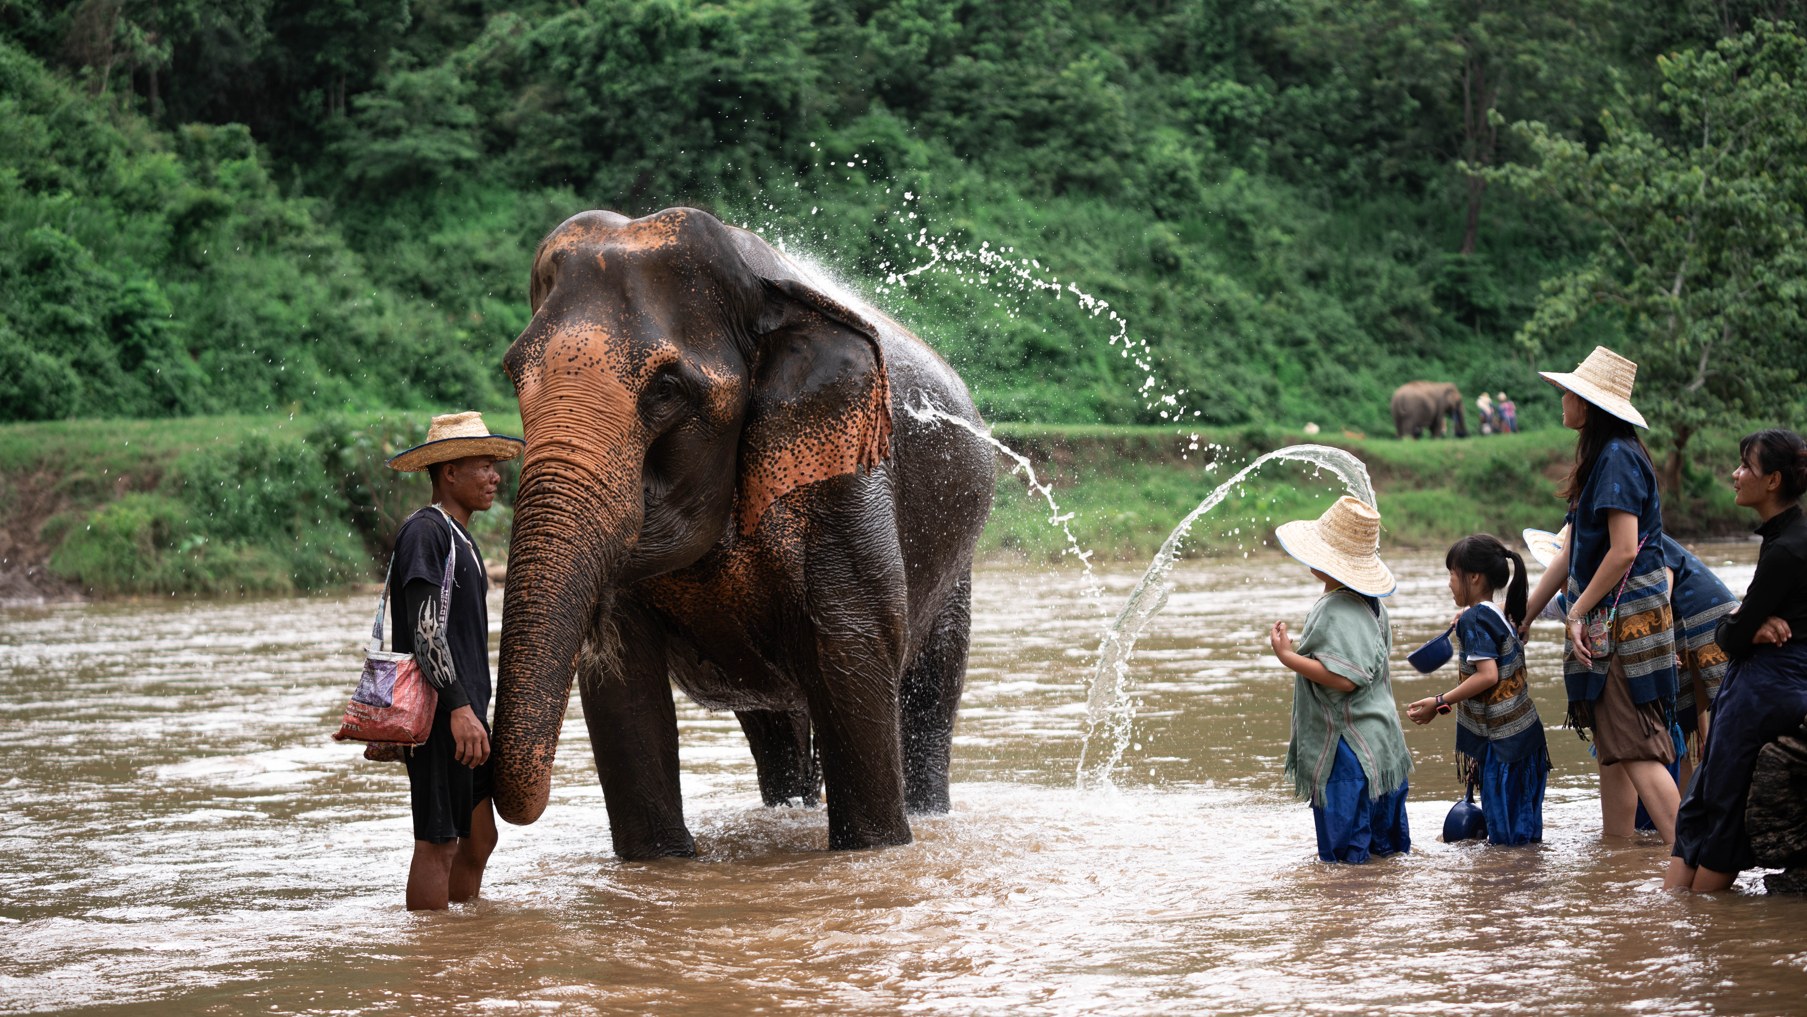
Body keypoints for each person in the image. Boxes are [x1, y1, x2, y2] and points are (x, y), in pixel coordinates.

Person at [1523, 346, 1681, 843]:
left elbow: (1624, 550)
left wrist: (1577, 612)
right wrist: (1524, 616)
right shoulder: (1603, 458)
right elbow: (1570, 552)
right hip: (1615, 621)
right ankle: (1620, 857)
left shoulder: (1615, 458)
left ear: (1589, 406)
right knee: (1615, 748)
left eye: (1569, 393)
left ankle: (1691, 862)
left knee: (1635, 745)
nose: (1562, 400)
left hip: (1623, 625)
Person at [385, 411, 523, 910]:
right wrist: (459, 708)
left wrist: (472, 713)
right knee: (438, 843)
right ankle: (429, 948)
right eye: (483, 466)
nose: (494, 477)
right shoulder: (427, 532)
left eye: (493, 466)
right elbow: (426, 633)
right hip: (442, 714)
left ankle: (459, 939)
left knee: (480, 838)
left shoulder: (461, 538)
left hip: (467, 716)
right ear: (449, 472)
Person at [1666, 428, 1807, 892]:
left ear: (1773, 481)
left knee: (1715, 803)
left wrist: (1742, 624)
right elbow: (1745, 627)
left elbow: (1731, 638)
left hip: (1762, 691)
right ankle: (1685, 914)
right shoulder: (1791, 537)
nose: (1735, 473)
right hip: (1783, 685)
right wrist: (1747, 623)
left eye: (1746, 465)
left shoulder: (1785, 550)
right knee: (1707, 797)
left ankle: (1696, 918)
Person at [1268, 496, 1412, 863]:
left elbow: (1345, 679)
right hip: (1382, 746)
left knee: (1346, 871)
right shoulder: (1371, 604)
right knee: (1386, 858)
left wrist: (1288, 657)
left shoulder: (1335, 607)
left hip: (1349, 753)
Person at [1406, 535, 1550, 845]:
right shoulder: (1498, 614)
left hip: (1505, 748)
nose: (1449, 583)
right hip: (1526, 739)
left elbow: (1487, 676)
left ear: (1474, 577)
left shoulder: (1474, 618)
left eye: (1452, 574)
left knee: (1506, 843)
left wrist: (1439, 702)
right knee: (1525, 838)